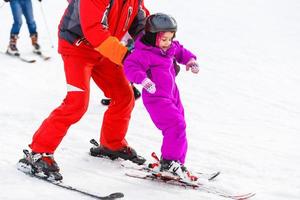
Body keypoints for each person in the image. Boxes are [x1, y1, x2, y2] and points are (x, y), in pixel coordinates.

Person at [18, 0, 149, 181]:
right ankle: (38, 152)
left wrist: (156, 52)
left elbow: (140, 24)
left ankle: (112, 144)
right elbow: (94, 30)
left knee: (124, 96)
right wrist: (128, 58)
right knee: (77, 103)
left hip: (105, 50)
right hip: (77, 47)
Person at [123, 13, 200, 182]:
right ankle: (169, 162)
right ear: (152, 37)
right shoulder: (143, 52)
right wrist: (143, 80)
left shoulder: (169, 47)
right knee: (175, 125)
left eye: (170, 39)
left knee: (181, 125)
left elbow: (181, 51)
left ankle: (177, 163)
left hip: (172, 94)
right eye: (164, 39)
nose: (168, 43)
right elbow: (130, 67)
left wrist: (190, 61)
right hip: (156, 98)